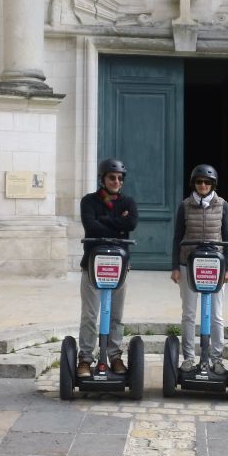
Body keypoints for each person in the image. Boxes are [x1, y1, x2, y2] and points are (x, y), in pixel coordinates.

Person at [170, 163, 228, 374]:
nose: (203, 185)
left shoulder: (222, 205)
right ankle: (188, 358)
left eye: (207, 182)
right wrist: (175, 268)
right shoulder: (185, 205)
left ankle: (216, 359)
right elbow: (177, 238)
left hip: (215, 265)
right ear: (194, 184)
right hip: (188, 263)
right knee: (188, 314)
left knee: (216, 314)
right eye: (199, 182)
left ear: (213, 184)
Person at [78, 158, 138, 378]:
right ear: (102, 178)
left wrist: (104, 220)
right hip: (93, 264)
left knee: (116, 315)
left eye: (119, 178)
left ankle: (114, 356)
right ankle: (85, 358)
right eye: (111, 177)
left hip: (119, 265)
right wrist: (116, 222)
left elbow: (131, 224)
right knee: (90, 314)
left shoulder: (128, 202)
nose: (116, 181)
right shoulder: (88, 201)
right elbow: (90, 226)